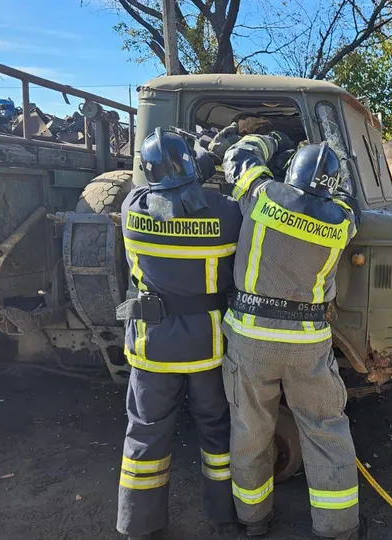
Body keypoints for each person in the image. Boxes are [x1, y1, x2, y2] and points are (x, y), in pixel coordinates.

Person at [213, 127, 367, 540]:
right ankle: (338, 528)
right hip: (308, 345)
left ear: (291, 175)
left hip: (251, 339)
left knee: (251, 430)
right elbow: (347, 198)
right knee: (325, 430)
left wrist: (271, 140)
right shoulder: (344, 222)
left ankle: (254, 520)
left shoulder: (262, 196)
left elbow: (240, 156)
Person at [115, 127, 241, 540]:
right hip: (207, 348)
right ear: (189, 169)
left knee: (146, 435)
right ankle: (224, 517)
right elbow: (199, 197)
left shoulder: (132, 209)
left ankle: (139, 525)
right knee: (216, 434)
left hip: (153, 349)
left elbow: (159, 190)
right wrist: (211, 154)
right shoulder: (225, 213)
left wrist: (191, 165)